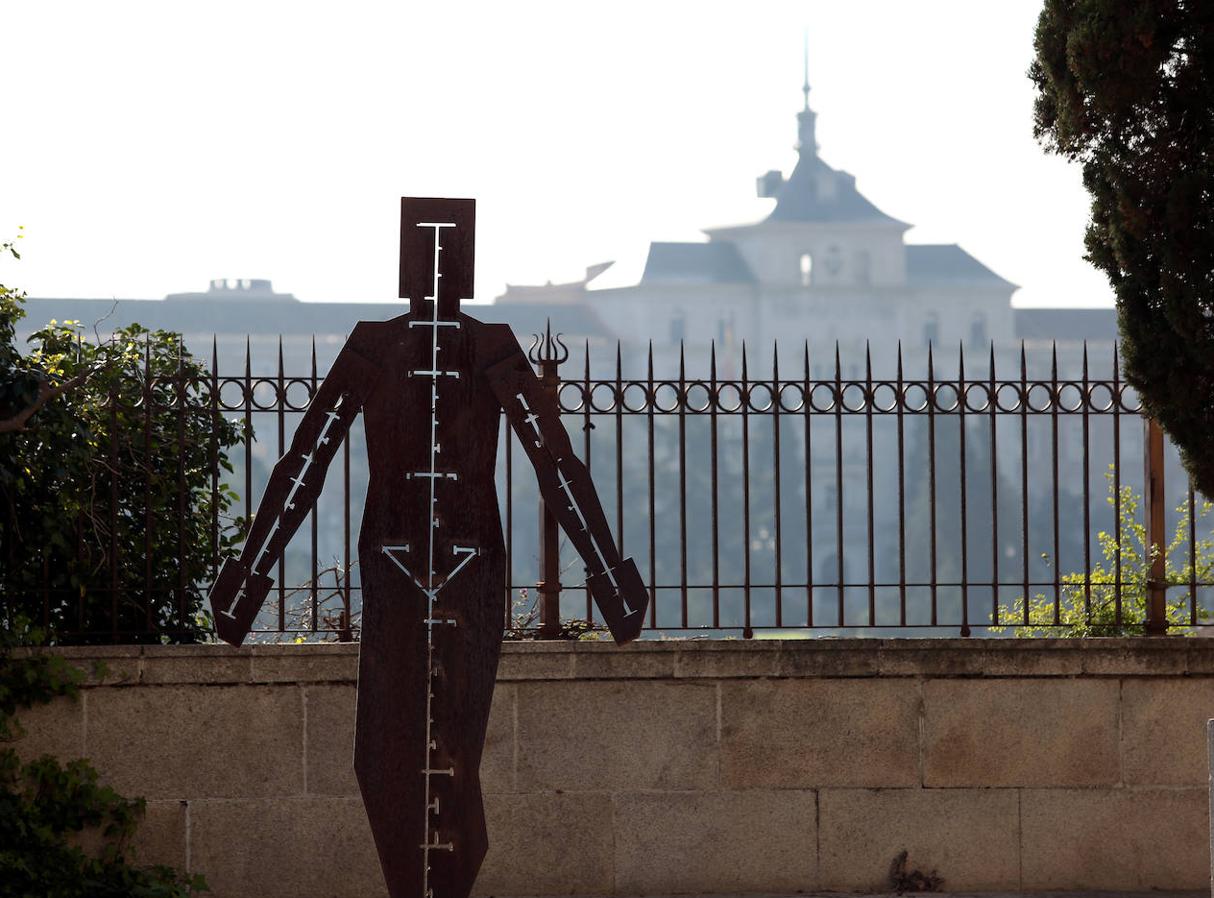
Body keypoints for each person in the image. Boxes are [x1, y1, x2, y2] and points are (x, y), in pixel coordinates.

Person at [208, 197, 648, 898]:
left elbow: (552, 460)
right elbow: (309, 459)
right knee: (385, 757)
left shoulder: (482, 343)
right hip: (400, 565)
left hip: (461, 567)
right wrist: (249, 579)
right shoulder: (379, 345)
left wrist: (610, 578)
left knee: (452, 756)